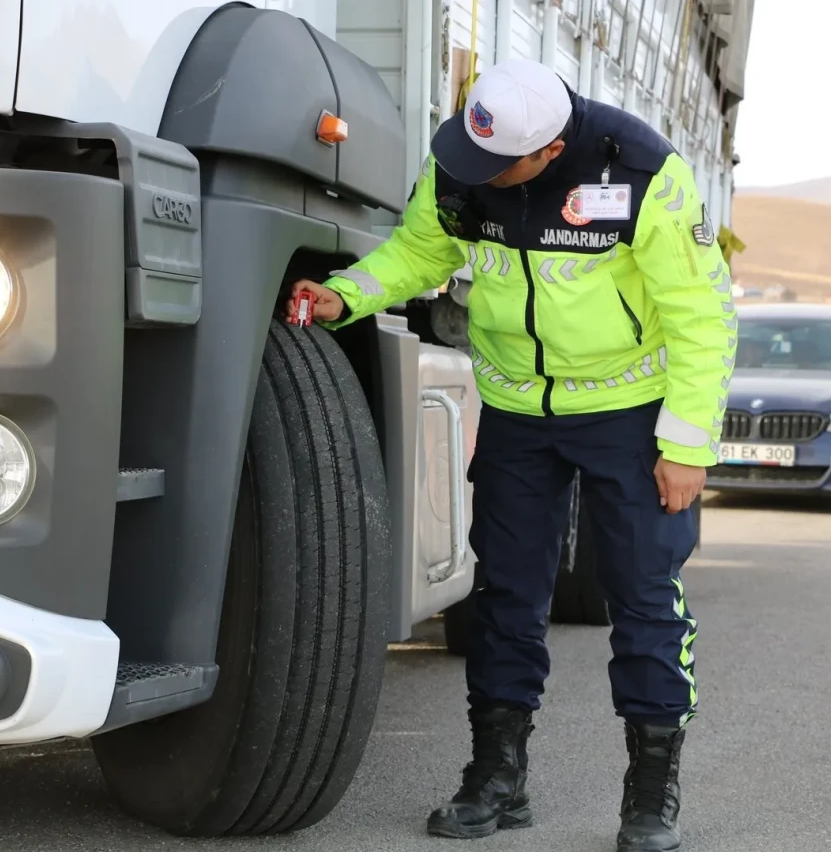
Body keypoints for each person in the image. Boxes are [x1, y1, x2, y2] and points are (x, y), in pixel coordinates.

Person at [284, 57, 736, 852]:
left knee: (643, 599)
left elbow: (702, 318)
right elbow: (421, 253)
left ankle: (651, 788)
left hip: (625, 412)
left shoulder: (643, 172)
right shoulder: (465, 159)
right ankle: (496, 774)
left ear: (552, 151)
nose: (478, 175)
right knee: (503, 596)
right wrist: (347, 293)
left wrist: (686, 444)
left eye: (501, 167)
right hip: (518, 410)